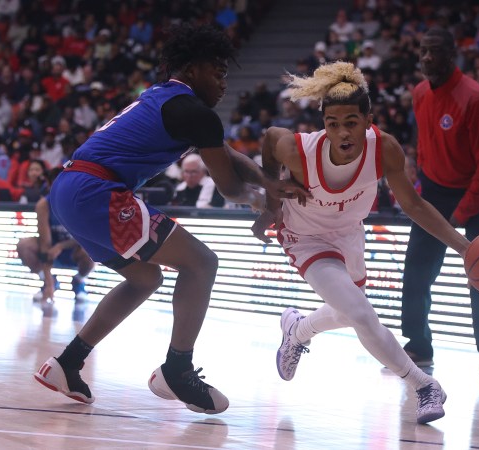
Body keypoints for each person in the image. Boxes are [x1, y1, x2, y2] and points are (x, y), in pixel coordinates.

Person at [33, 24, 308, 414]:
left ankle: (68, 362)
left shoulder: (168, 98)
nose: (224, 83)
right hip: (96, 191)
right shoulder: (193, 112)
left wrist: (268, 181)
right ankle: (177, 369)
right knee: (201, 263)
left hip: (70, 187)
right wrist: (267, 201)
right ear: (193, 69)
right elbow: (230, 187)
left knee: (146, 277)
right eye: (218, 72)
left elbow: (230, 157)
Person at [251, 61, 470, 424]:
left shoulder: (384, 149)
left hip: (349, 234)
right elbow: (272, 137)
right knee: (360, 313)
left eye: (351, 122)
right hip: (304, 238)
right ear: (323, 124)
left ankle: (297, 329)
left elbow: (414, 205)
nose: (342, 133)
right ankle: (424, 385)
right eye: (332, 124)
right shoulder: (301, 152)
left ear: (368, 120)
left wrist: (464, 247)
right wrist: (271, 197)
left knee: (347, 311)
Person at [399, 28, 479, 378]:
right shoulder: (419, 93)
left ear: (451, 54)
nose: (427, 58)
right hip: (434, 191)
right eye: (423, 51)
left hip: (477, 191)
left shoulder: (477, 100)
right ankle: (418, 346)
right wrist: (420, 185)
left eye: (434, 51)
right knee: (416, 271)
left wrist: (461, 214)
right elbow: (426, 144)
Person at [17, 168, 95, 303]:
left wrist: (61, 245)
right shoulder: (44, 204)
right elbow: (45, 244)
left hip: (75, 250)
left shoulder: (81, 201)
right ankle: (49, 282)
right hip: (52, 251)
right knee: (24, 245)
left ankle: (79, 282)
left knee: (91, 248)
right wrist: (49, 283)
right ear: (49, 185)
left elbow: (87, 236)